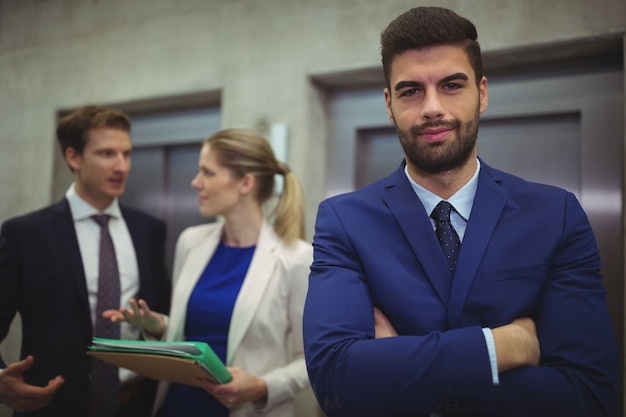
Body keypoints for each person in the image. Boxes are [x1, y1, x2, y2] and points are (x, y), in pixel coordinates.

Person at [302, 6, 619, 417]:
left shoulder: (555, 214)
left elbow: (589, 394)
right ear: (388, 103)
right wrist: (503, 346)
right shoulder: (344, 222)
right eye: (411, 90)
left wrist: (396, 371)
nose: (432, 107)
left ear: (482, 93)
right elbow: (336, 382)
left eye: (452, 84)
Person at [104, 128, 313, 417]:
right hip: (176, 407)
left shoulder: (296, 258)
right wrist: (159, 326)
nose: (195, 182)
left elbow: (313, 358)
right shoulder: (191, 243)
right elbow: (190, 338)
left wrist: (263, 386)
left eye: (208, 173)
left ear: (245, 183)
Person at [0, 105, 171, 417]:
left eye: (127, 154)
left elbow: (166, 317)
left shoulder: (149, 231)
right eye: (107, 153)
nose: (121, 166)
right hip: (51, 406)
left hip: (135, 405)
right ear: (73, 157)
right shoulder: (26, 234)